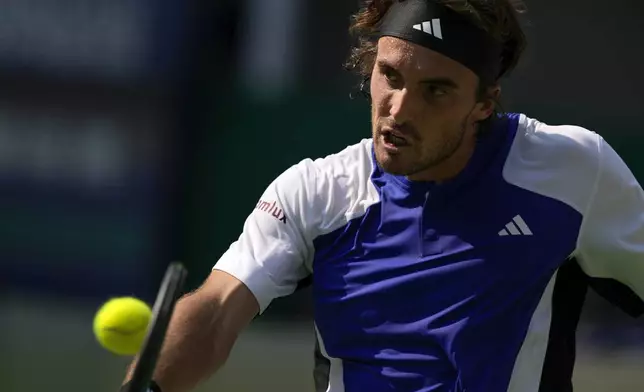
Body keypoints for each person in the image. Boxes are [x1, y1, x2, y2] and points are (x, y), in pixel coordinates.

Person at [121, 0, 644, 391]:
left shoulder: (574, 169)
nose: (399, 109)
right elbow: (215, 312)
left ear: (485, 103)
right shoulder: (315, 192)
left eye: (435, 91)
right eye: (389, 75)